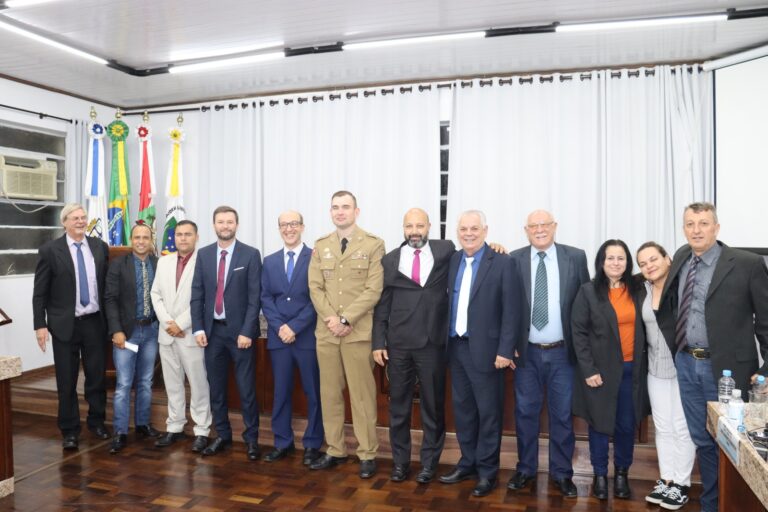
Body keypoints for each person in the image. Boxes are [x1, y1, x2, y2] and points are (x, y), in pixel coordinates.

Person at [656, 202, 768, 512]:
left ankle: (735, 504)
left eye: (703, 223)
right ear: (684, 229)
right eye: (690, 224)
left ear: (716, 228)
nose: (696, 230)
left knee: (732, 439)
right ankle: (711, 503)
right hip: (687, 363)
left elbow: (766, 319)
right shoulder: (681, 257)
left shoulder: (746, 263)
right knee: (703, 437)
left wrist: (767, 368)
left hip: (727, 370)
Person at [438, 210, 521, 498]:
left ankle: (487, 471)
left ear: (485, 231)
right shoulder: (452, 260)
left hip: (488, 352)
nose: (469, 233)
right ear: (457, 232)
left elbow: (512, 310)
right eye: (463, 229)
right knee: (463, 412)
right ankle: (467, 462)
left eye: (475, 228)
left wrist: (505, 349)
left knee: (488, 414)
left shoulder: (502, 262)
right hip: (456, 349)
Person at [507, 210, 589, 498]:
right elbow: (508, 305)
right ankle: (526, 469)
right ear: (525, 230)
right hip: (526, 354)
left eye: (545, 225)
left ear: (555, 227)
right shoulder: (513, 260)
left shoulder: (575, 257)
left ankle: (562, 473)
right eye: (533, 226)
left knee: (562, 416)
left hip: (562, 354)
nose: (539, 230)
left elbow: (584, 306)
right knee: (525, 413)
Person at [372, 208, 455, 484]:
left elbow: (475, 253)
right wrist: (377, 342)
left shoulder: (446, 251)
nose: (415, 231)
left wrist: (496, 247)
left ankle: (429, 464)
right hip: (398, 345)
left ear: (430, 226)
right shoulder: (390, 260)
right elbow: (382, 305)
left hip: (432, 344)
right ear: (403, 228)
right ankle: (400, 463)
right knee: (399, 409)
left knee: (433, 407)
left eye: (420, 225)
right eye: (410, 226)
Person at [307, 190, 384, 479]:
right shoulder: (321, 245)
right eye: (335, 207)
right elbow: (315, 287)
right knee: (330, 395)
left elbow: (373, 289)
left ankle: (367, 453)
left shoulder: (373, 244)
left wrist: (345, 318)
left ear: (357, 211)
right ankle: (336, 449)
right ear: (330, 212)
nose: (340, 212)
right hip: (327, 333)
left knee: (362, 397)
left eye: (345, 207)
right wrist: (332, 319)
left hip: (357, 332)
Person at [571, 239, 649, 501]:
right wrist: (589, 370)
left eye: (621, 258)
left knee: (627, 425)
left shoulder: (639, 289)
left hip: (632, 372)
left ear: (628, 263)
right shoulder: (588, 292)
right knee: (600, 425)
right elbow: (578, 334)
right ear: (601, 263)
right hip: (599, 374)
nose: (616, 263)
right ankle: (600, 475)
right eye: (610, 258)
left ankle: (622, 475)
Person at [32, 203, 111, 449]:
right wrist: (40, 325)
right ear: (64, 222)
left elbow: (106, 286)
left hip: (94, 323)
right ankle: (69, 430)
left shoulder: (100, 247)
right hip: (64, 325)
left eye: (83, 217)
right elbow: (39, 293)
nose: (80, 221)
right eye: (75, 218)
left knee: (96, 377)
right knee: (66, 381)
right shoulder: (49, 250)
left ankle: (97, 422)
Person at [191, 206, 262, 460]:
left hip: (241, 336)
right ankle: (222, 434)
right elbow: (197, 294)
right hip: (212, 334)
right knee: (216, 389)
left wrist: (247, 331)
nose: (225, 226)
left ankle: (251, 439)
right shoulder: (204, 254)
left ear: (236, 224)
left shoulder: (251, 255)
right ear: (214, 225)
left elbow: (255, 299)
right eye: (220, 222)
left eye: (229, 222)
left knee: (246, 389)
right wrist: (198, 327)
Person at [260, 211, 323, 465]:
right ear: (279, 229)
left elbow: (317, 298)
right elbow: (265, 298)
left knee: (313, 392)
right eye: (284, 225)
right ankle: (282, 442)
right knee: (281, 392)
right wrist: (280, 327)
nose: (289, 229)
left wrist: (294, 327)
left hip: (306, 336)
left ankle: (312, 444)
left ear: (302, 227)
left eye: (294, 224)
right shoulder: (270, 260)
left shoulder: (315, 257)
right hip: (278, 339)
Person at [636, 242, 696, 510]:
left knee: (682, 427)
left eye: (653, 259)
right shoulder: (642, 289)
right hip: (654, 370)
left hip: (682, 367)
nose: (649, 265)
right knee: (662, 427)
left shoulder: (683, 285)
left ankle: (682, 484)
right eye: (643, 263)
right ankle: (667, 479)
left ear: (668, 259)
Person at [150, 219, 212, 453]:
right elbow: (155, 294)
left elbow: (204, 298)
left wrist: (182, 323)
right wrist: (168, 323)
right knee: (172, 384)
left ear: (197, 237)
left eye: (188, 234)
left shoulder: (204, 262)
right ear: (174, 237)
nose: (183, 238)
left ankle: (202, 429)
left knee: (198, 384)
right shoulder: (164, 262)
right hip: (167, 334)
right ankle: (174, 426)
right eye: (179, 234)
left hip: (190, 333)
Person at [104, 222, 161, 453]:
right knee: (124, 383)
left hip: (150, 331)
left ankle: (143, 424)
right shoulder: (118, 265)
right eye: (137, 237)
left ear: (151, 240)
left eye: (145, 237)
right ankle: (120, 431)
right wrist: (116, 330)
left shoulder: (159, 264)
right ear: (131, 239)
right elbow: (110, 299)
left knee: (146, 382)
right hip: (126, 333)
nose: (141, 241)